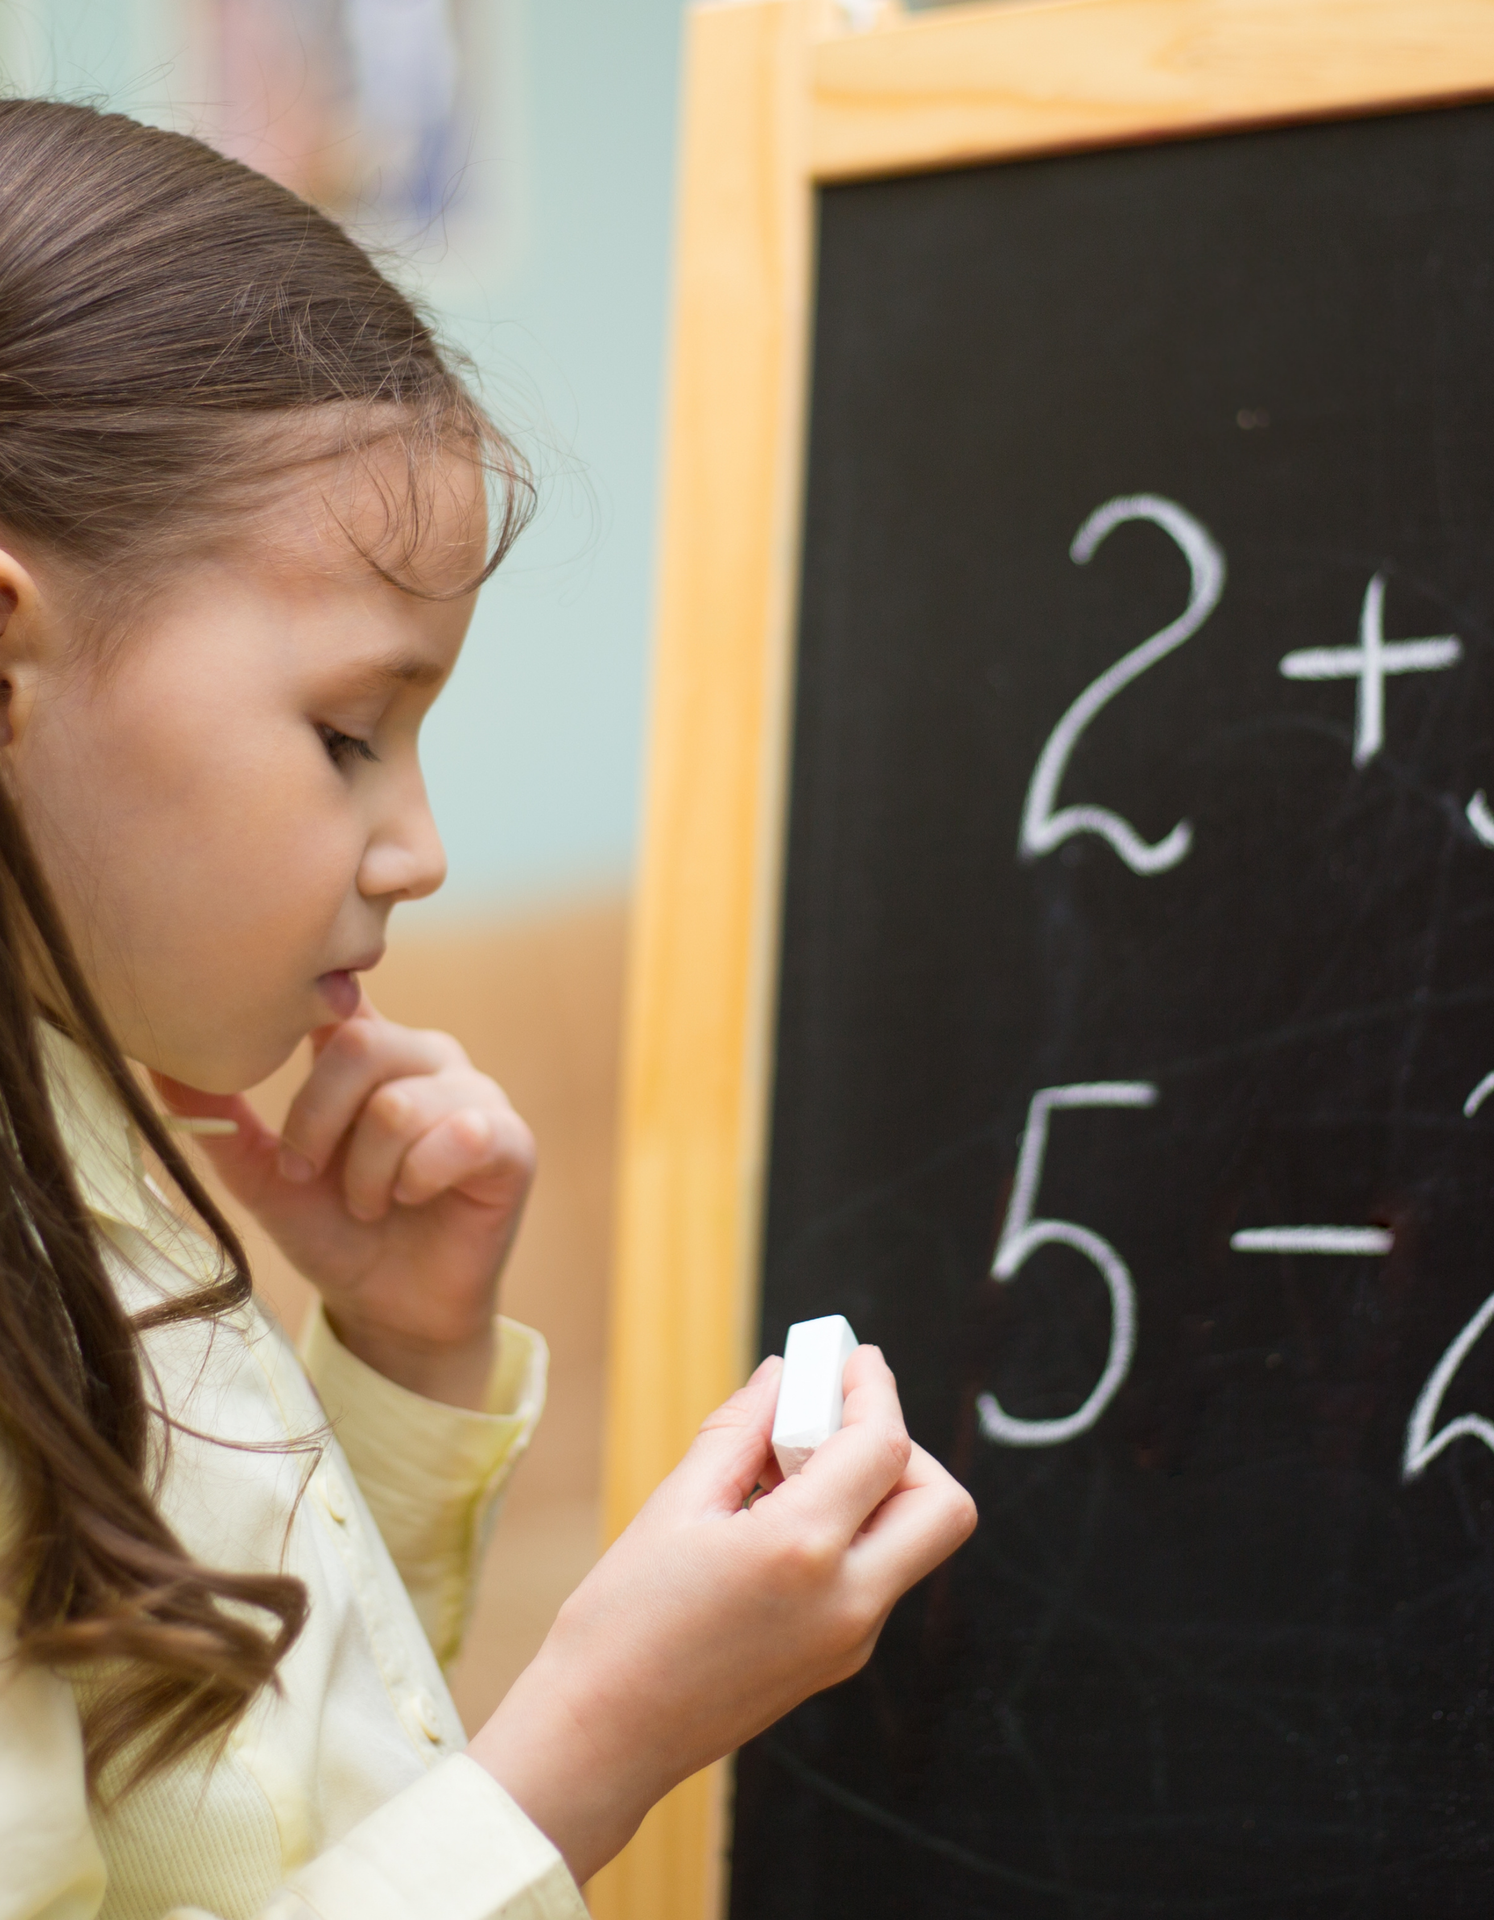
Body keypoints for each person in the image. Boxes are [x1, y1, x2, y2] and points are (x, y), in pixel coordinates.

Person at [0, 97, 976, 1918]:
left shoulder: (84, 1127)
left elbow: (251, 1807)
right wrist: (600, 1734)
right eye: (349, 733)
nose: (418, 850)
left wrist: (397, 1368)